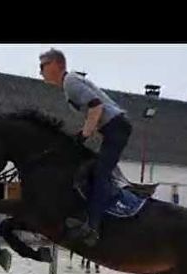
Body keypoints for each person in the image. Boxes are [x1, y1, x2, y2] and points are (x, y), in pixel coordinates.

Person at [39, 48, 132, 247]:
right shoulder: (69, 84)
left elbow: (96, 106)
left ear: (56, 64)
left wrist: (84, 134)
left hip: (116, 128)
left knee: (100, 174)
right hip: (113, 128)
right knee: (92, 169)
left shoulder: (70, 82)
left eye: (43, 66)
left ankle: (93, 228)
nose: (40, 72)